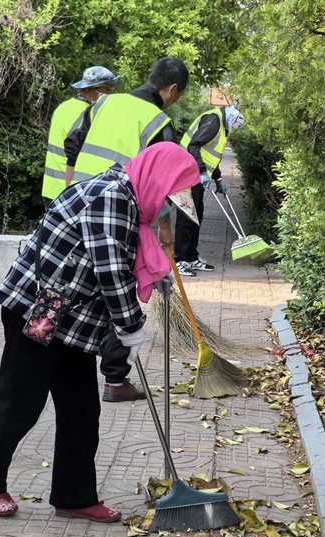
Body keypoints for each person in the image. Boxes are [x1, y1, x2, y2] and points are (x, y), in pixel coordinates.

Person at [0, 142, 200, 522]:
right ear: (157, 179)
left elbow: (123, 254)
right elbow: (110, 270)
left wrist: (156, 276)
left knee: (81, 411)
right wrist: (130, 327)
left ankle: (74, 497)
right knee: (21, 404)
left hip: (73, 322)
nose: (168, 204)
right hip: (38, 313)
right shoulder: (111, 197)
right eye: (170, 194)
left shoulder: (130, 200)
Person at [64, 56, 190, 402]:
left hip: (78, 207)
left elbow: (72, 145)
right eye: (178, 95)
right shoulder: (158, 121)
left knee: (80, 284)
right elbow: (161, 180)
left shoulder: (104, 103)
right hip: (120, 213)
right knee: (119, 288)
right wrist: (165, 227)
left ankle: (71, 361)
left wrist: (71, 192)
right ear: (172, 89)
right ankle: (115, 380)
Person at [174, 105, 246, 277]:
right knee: (187, 215)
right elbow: (193, 145)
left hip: (195, 174)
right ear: (230, 118)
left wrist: (218, 178)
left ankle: (191, 257)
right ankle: (179, 260)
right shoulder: (213, 120)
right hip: (186, 171)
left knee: (196, 215)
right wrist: (201, 171)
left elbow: (210, 155)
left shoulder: (222, 124)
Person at [41, 66, 121, 206]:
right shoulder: (89, 113)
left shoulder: (63, 107)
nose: (110, 95)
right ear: (92, 90)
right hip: (70, 192)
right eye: (108, 90)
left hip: (52, 189)